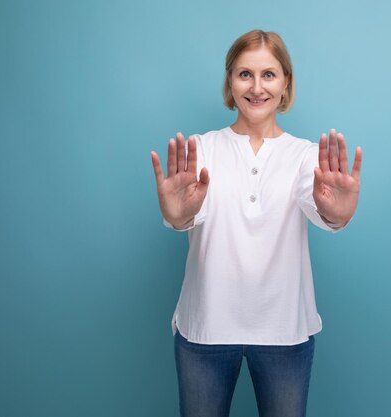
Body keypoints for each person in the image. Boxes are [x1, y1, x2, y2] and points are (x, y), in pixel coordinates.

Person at [150, 29, 362, 417]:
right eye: (245, 74)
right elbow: (182, 216)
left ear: (286, 84)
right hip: (206, 328)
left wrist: (338, 212)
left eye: (269, 74)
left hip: (284, 331)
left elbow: (322, 208)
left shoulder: (305, 157)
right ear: (230, 81)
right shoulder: (203, 147)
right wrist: (176, 213)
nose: (256, 86)